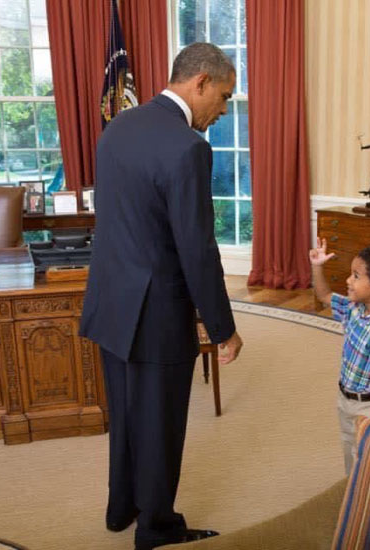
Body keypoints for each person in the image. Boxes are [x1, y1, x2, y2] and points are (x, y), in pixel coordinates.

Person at [79, 42, 244, 550]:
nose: (222, 110)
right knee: (161, 426)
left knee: (128, 414)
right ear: (199, 82)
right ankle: (157, 529)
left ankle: (120, 507)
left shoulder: (117, 127)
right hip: (157, 313)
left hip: (111, 303)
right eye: (223, 96)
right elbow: (197, 249)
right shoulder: (188, 147)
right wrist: (223, 329)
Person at [309, 240, 370, 474]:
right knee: (348, 448)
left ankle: (365, 494)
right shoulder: (355, 307)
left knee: (364, 457)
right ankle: (352, 487)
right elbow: (323, 295)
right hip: (345, 397)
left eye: (355, 276)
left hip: (368, 407)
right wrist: (317, 266)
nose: (348, 281)